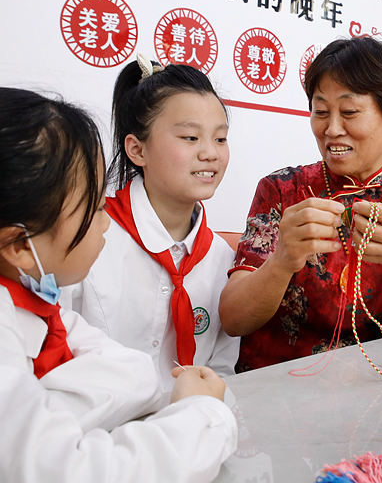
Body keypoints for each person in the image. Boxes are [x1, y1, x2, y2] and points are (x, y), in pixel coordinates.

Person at [0, 88, 236, 482]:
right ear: (21, 244)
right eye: (92, 207)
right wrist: (202, 416)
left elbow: (132, 371)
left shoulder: (35, 299)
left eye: (221, 137)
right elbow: (67, 470)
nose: (104, 220)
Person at [219, 37, 382, 371]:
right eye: (321, 112)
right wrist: (282, 260)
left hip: (373, 386)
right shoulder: (281, 189)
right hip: (276, 387)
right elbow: (233, 321)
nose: (332, 129)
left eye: (350, 112)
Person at [61, 55, 239, 399]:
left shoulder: (222, 259)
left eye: (220, 139)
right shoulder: (87, 238)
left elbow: (221, 370)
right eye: (190, 137)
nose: (210, 153)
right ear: (137, 149)